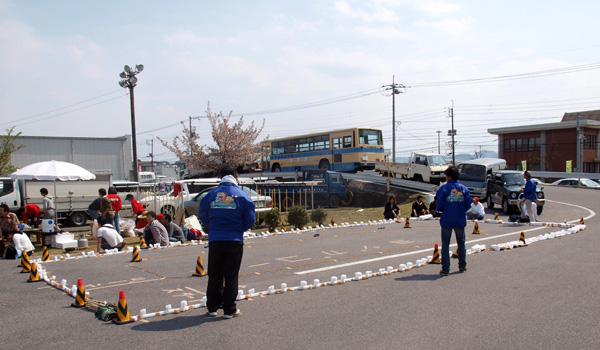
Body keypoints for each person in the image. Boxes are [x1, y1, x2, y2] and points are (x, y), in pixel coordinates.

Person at [199, 165, 256, 319]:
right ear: (235, 176)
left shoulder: (211, 195)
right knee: (231, 275)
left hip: (215, 239)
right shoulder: (242, 196)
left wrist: (213, 226)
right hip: (234, 240)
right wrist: (239, 228)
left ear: (221, 177)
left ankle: (212, 307)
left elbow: (203, 214)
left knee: (214, 274)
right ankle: (229, 310)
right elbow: (250, 219)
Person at [436, 165, 472, 276]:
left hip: (447, 219)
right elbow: (468, 204)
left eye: (446, 176)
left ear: (449, 176)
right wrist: (460, 209)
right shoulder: (464, 189)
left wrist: (444, 209)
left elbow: (439, 204)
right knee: (461, 243)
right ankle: (462, 266)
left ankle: (446, 268)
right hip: (460, 219)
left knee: (445, 244)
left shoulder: (444, 189)